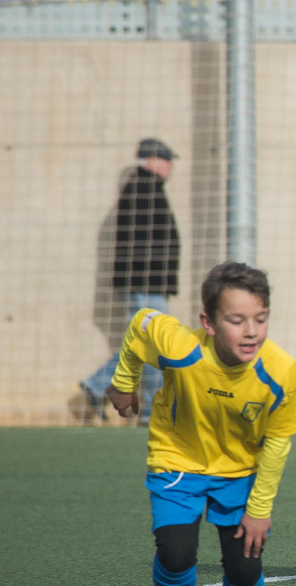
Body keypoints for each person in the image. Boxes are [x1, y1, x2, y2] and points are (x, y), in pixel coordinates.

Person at [105, 262, 296, 586]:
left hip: (240, 474)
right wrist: (124, 382)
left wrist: (260, 508)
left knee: (244, 569)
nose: (251, 330)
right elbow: (141, 323)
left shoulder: (280, 371)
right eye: (236, 320)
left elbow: (277, 442)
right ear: (208, 323)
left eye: (260, 318)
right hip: (177, 462)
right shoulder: (181, 347)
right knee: (176, 554)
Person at [84, 137, 182, 424]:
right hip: (145, 285)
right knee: (152, 345)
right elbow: (144, 244)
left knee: (145, 345)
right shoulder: (143, 190)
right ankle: (148, 411)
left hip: (149, 285)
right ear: (152, 160)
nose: (171, 167)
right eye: (167, 160)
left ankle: (99, 385)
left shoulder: (145, 189)